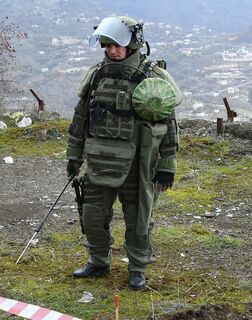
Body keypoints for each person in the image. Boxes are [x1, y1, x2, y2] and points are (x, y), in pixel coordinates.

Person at [66, 15, 182, 290]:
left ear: (133, 44)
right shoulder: (97, 76)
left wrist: (167, 164)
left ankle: (137, 268)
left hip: (136, 163)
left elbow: (168, 123)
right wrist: (73, 155)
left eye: (116, 45)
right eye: (106, 45)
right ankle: (98, 260)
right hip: (99, 159)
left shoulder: (152, 78)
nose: (111, 50)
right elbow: (81, 119)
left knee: (138, 219)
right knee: (92, 214)